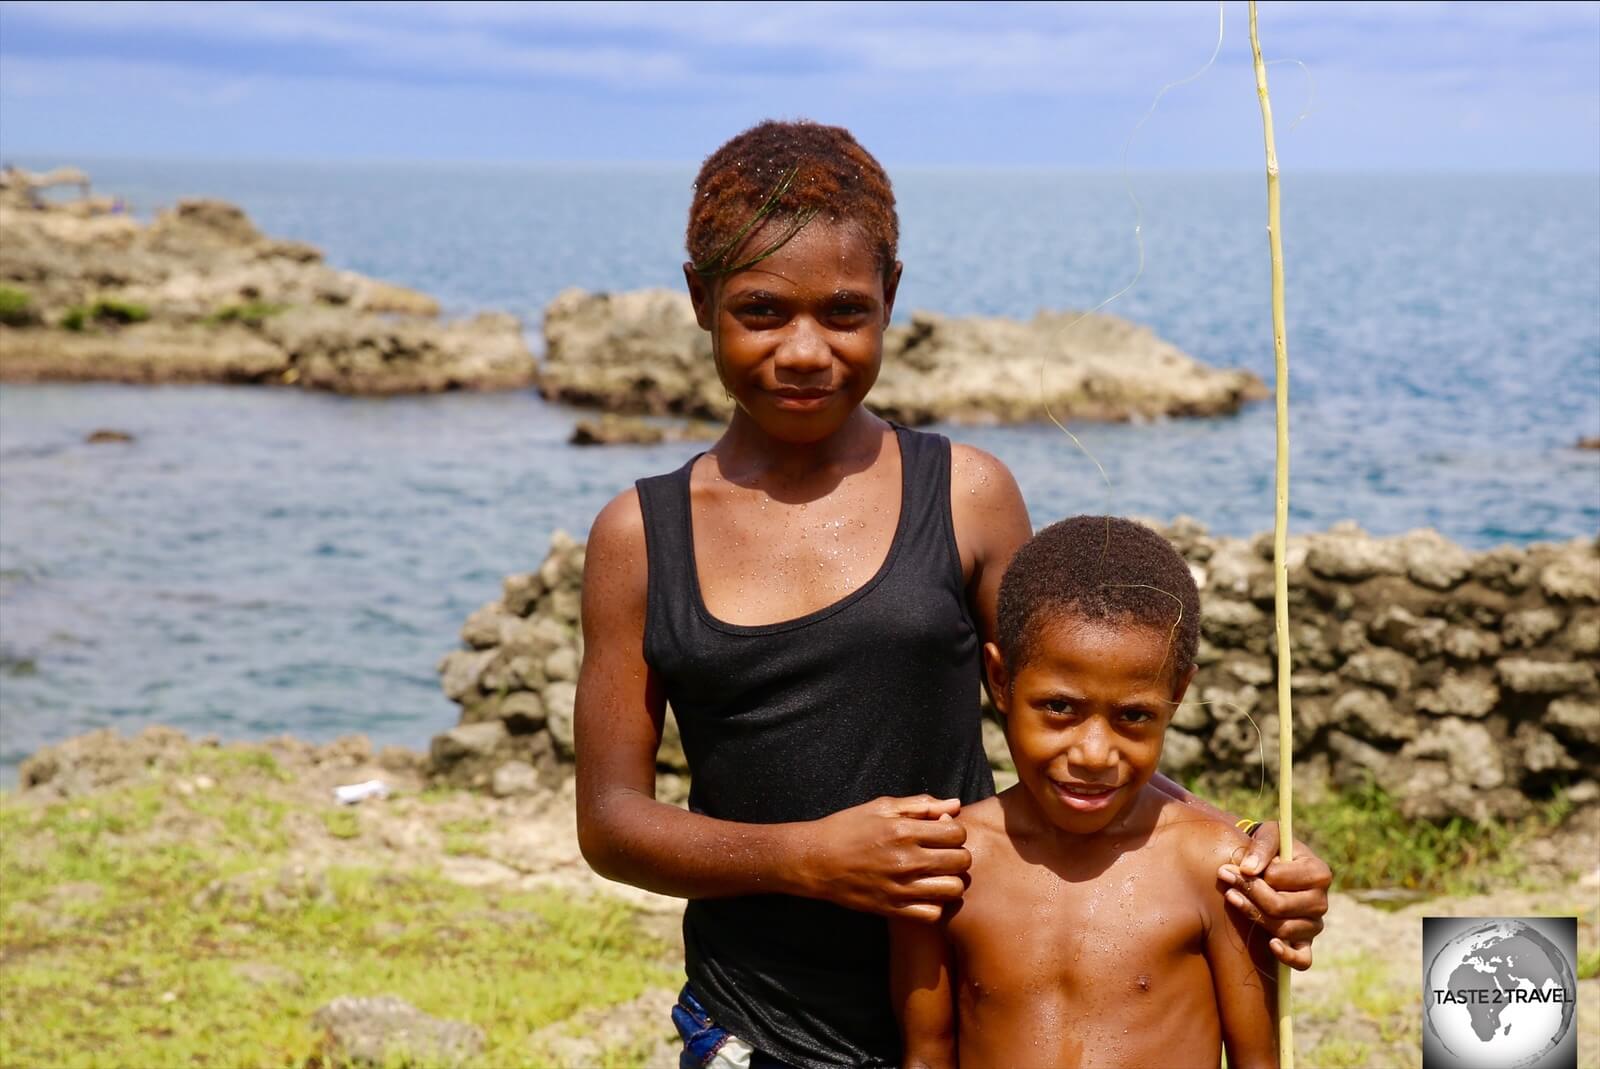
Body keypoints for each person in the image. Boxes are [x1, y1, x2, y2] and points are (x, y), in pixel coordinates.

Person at [574, 119, 1329, 1069]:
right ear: (699, 299)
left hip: (982, 1019)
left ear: (891, 297)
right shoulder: (641, 538)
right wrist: (807, 857)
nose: (805, 350)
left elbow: (1071, 710)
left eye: (845, 312)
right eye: (762, 311)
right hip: (756, 1031)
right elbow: (611, 822)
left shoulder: (968, 495)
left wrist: (1241, 851)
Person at [891, 515, 1278, 1069]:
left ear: (1178, 694)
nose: (1094, 754)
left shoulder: (1218, 871)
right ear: (1000, 681)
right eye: (1059, 707)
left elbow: (1259, 1061)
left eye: (1134, 715)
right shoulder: (943, 865)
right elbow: (926, 1057)